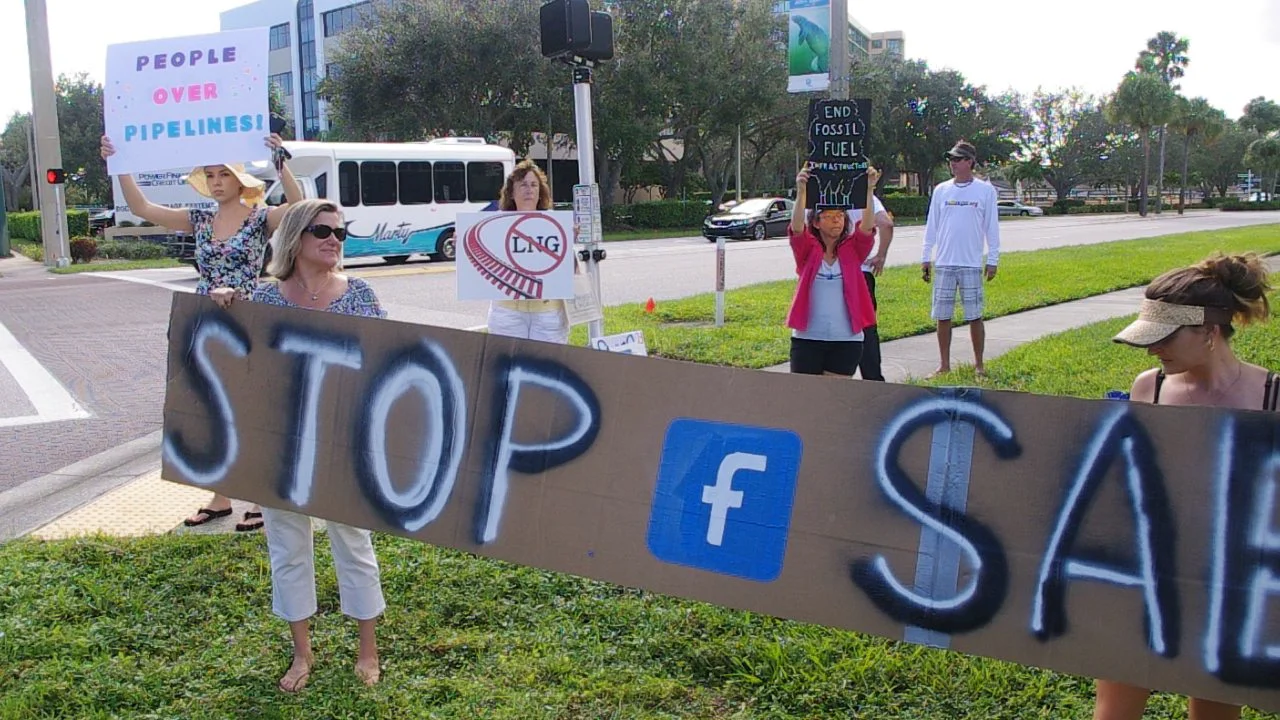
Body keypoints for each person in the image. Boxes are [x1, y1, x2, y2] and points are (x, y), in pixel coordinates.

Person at [220, 199, 386, 692]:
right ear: (294, 237)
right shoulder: (263, 300)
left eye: (341, 232)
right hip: (281, 448)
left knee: (353, 543)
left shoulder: (360, 295)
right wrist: (223, 309)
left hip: (342, 443)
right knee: (287, 549)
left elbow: (386, 364)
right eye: (323, 231)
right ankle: (301, 653)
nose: (335, 239)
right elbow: (235, 365)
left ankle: (368, 648)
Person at [101, 133, 303, 531]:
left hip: (247, 321)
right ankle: (221, 496)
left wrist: (280, 160)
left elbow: (298, 208)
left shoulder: (259, 217)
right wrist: (118, 162)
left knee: (250, 409)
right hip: (205, 321)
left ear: (239, 180)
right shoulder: (199, 220)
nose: (215, 182)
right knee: (211, 408)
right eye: (209, 175)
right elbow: (142, 206)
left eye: (223, 174)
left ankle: (261, 496)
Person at [1105, 251, 1275, 720]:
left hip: (1231, 587)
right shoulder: (1149, 388)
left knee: (1215, 711)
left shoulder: (1271, 397)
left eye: (1164, 338)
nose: (1151, 350)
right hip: (1147, 578)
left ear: (1209, 332)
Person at [786, 163, 880, 376]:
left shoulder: (852, 251)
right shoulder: (808, 251)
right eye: (828, 216)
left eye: (840, 215)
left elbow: (866, 228)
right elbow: (797, 229)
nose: (836, 220)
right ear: (817, 223)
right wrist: (802, 191)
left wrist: (868, 189)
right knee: (806, 400)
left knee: (834, 401)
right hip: (808, 338)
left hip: (846, 340)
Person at [921, 139, 1001, 377]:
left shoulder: (985, 191)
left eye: (957, 159)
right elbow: (932, 225)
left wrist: (993, 259)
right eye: (951, 160)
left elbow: (992, 227)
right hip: (945, 262)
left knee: (974, 315)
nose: (953, 164)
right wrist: (926, 257)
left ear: (969, 162)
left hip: (971, 262)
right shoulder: (941, 190)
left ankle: (979, 365)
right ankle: (944, 365)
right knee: (942, 316)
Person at [484, 160, 571, 344]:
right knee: (508, 369)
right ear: (512, 192)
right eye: (522, 185)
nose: (529, 190)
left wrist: (570, 243)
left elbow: (571, 269)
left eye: (534, 185)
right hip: (508, 312)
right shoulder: (492, 225)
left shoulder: (555, 224)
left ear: (540, 192)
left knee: (547, 369)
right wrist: (463, 244)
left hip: (548, 313)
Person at [856, 195, 896, 381]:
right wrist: (881, 255)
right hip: (861, 272)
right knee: (866, 329)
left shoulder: (824, 196)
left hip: (829, 272)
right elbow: (886, 224)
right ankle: (873, 380)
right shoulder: (866, 196)